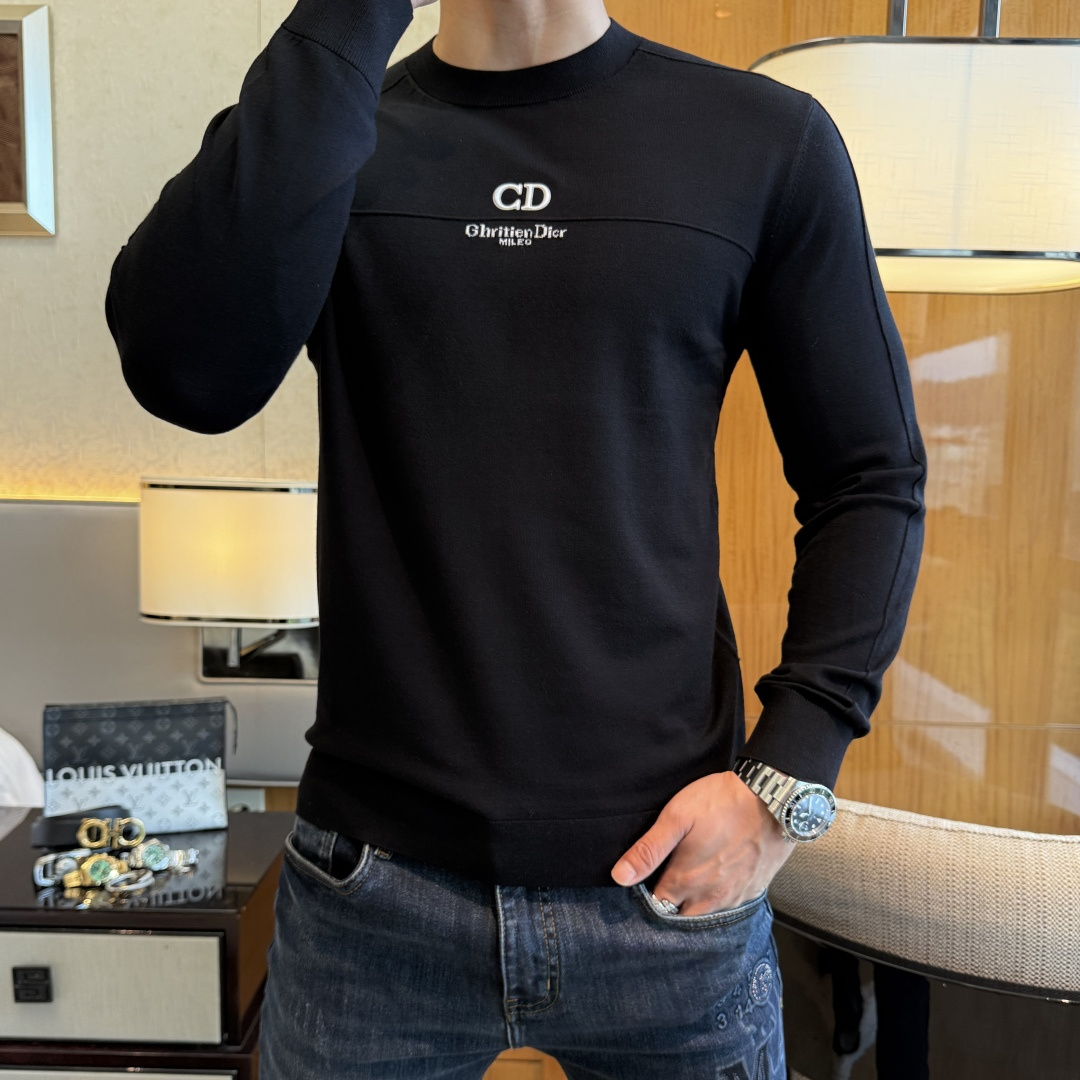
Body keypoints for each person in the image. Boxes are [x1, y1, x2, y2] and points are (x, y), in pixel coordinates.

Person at [105, 0, 927, 1076]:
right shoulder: (327, 130)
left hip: (668, 896)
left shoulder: (764, 139)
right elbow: (187, 373)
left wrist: (784, 781)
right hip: (370, 900)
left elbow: (871, 473)